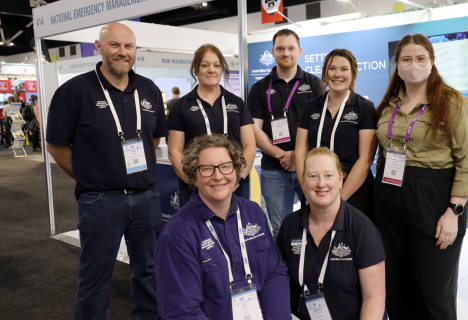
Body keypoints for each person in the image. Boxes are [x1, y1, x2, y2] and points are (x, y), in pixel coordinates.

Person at [46, 22, 167, 320]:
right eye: (114, 45)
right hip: (100, 201)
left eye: (128, 46)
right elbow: (57, 146)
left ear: (135, 50)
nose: (122, 52)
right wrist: (90, 177)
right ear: (99, 48)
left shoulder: (149, 89)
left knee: (149, 272)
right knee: (95, 278)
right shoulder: (73, 91)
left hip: (146, 198)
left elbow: (154, 139)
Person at [374, 33, 468, 320]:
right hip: (388, 198)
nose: (413, 65)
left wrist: (454, 211)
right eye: (406, 59)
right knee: (396, 285)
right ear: (397, 64)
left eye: (421, 59)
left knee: (433, 290)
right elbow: (382, 152)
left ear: (432, 63)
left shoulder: (453, 102)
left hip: (434, 199)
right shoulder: (388, 104)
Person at [155, 134, 290, 320]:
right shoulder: (178, 235)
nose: (218, 176)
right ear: (193, 177)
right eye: (207, 169)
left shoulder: (254, 213)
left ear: (236, 172)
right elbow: (182, 312)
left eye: (225, 167)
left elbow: (273, 274)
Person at [278, 147, 386, 320]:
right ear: (303, 183)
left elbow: (374, 298)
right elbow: (279, 282)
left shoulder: (362, 228)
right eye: (313, 176)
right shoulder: (290, 225)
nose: (321, 183)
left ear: (340, 180)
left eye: (328, 175)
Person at [248, 29, 322, 239]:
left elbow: (320, 127)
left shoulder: (314, 84)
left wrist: (297, 156)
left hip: (309, 167)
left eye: (290, 48)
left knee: (316, 221)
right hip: (274, 169)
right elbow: (254, 128)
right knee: (280, 228)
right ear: (272, 52)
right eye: (280, 49)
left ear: (299, 51)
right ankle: (285, 270)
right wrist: (281, 155)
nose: (285, 53)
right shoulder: (259, 88)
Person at [168, 44, 256, 207]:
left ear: (222, 69)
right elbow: (174, 151)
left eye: (216, 65)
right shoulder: (181, 106)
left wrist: (239, 178)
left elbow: (250, 146)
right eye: (205, 65)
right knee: (195, 231)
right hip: (194, 188)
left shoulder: (237, 104)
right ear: (196, 69)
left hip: (235, 185)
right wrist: (194, 182)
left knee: (235, 230)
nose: (211, 70)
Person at [295, 49, 378, 220]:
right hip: (318, 188)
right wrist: (307, 189)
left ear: (353, 73)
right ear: (325, 72)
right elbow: (300, 152)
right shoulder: (310, 107)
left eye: (344, 69)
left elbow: (365, 160)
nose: (337, 74)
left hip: (353, 191)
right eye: (332, 68)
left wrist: (339, 200)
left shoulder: (365, 107)